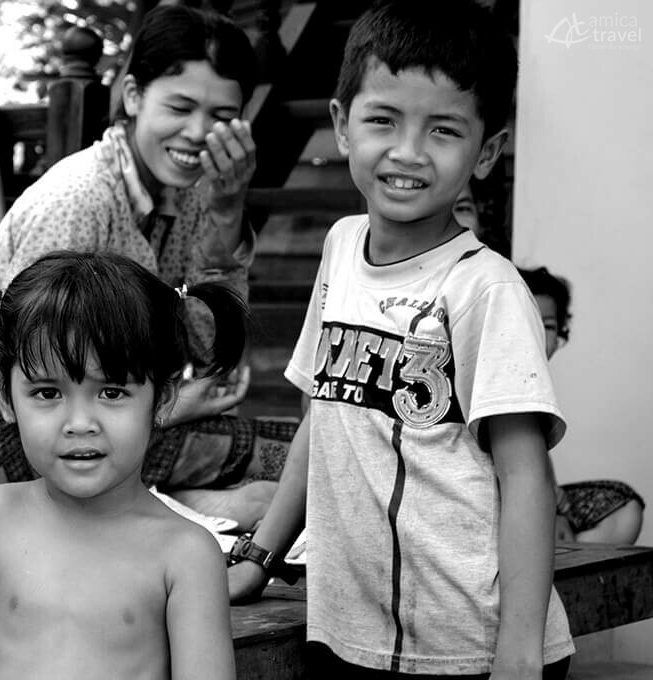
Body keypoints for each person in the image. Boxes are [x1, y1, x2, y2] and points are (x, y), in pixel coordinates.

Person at [227, 1, 575, 677]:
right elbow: (323, 419)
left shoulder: (486, 290)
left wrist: (520, 653)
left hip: (469, 647)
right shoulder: (340, 247)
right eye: (383, 119)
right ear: (342, 125)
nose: (408, 151)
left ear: (487, 151)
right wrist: (259, 558)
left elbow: (525, 475)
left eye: (443, 129)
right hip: (350, 635)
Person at [0, 4, 296, 530]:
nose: (198, 132)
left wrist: (227, 212)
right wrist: (170, 406)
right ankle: (188, 508)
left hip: (123, 419)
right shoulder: (80, 198)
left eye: (222, 117)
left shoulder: (191, 197)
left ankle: (184, 505)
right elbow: (36, 383)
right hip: (26, 442)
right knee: (293, 467)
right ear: (134, 96)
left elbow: (211, 348)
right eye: (180, 107)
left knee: (306, 457)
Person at [0, 251, 243, 680]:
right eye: (47, 393)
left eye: (111, 392)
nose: (79, 423)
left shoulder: (185, 554)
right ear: (6, 400)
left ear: (162, 400)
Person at [516, 266, 645, 545]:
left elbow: (538, 452)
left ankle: (563, 556)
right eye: (527, 319)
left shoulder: (538, 382)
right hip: (501, 496)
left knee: (624, 506)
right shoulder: (496, 380)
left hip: (542, 494)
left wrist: (556, 501)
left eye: (548, 325)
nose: (538, 333)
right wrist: (548, 502)